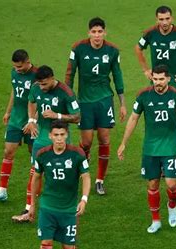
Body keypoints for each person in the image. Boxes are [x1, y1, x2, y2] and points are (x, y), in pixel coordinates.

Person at [117, 65, 176, 233]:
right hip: (151, 148)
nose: (157, 82)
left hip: (171, 147)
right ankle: (156, 220)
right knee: (153, 184)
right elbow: (133, 119)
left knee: (172, 184)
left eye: (160, 79)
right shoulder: (143, 95)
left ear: (168, 79)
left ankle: (172, 205)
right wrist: (123, 143)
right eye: (155, 79)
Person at [28, 120, 90, 249]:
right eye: (56, 135)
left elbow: (86, 177)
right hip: (48, 207)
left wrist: (84, 200)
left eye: (62, 135)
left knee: (69, 247)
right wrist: (32, 204)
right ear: (50, 136)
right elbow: (36, 178)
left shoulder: (77, 154)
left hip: (69, 209)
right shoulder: (42, 155)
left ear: (67, 135)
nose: (59, 139)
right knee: (45, 245)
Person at [65, 17, 126, 195]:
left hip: (104, 100)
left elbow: (118, 76)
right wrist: (68, 99)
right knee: (86, 142)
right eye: (94, 32)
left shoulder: (113, 50)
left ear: (104, 32)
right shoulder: (78, 48)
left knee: (104, 139)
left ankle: (99, 180)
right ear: (89, 32)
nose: (97, 35)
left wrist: (122, 103)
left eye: (100, 32)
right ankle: (83, 169)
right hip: (84, 102)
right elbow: (70, 74)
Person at [13, 65, 81, 223]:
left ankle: (67, 208)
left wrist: (56, 115)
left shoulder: (66, 93)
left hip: (60, 140)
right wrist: (31, 120)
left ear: (52, 78)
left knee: (62, 175)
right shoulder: (37, 87)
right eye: (39, 84)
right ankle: (29, 209)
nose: (41, 87)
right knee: (35, 173)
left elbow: (77, 117)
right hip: (41, 138)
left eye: (44, 84)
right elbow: (31, 101)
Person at [0, 49, 37, 209]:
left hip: (33, 121)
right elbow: (14, 91)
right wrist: (8, 111)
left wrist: (33, 121)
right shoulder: (15, 72)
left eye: (19, 66)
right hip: (16, 119)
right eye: (15, 66)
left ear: (27, 61)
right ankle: (2, 190)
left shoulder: (37, 76)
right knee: (8, 151)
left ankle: (35, 191)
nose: (17, 69)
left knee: (34, 155)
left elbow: (42, 99)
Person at [134, 5, 176, 90]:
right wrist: (145, 70)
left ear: (172, 18)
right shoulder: (150, 33)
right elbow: (138, 48)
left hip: (175, 81)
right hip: (157, 80)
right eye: (161, 19)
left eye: (167, 18)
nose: (165, 22)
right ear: (156, 20)